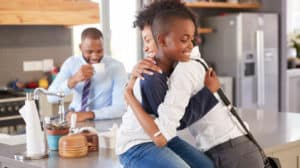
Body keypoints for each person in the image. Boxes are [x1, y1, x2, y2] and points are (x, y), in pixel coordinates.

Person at [117, 4, 214, 168]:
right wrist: (129, 89)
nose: (146, 47)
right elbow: (174, 123)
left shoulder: (177, 66)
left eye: (149, 39)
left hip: (165, 138)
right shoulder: (151, 73)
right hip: (137, 144)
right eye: (146, 40)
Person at [48, 28, 127, 122]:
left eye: (99, 51)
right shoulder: (71, 64)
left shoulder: (116, 67)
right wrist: (73, 80)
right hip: (74, 119)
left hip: (104, 121)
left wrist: (87, 115)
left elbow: (120, 108)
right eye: (89, 52)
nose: (95, 56)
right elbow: (51, 97)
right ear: (80, 47)